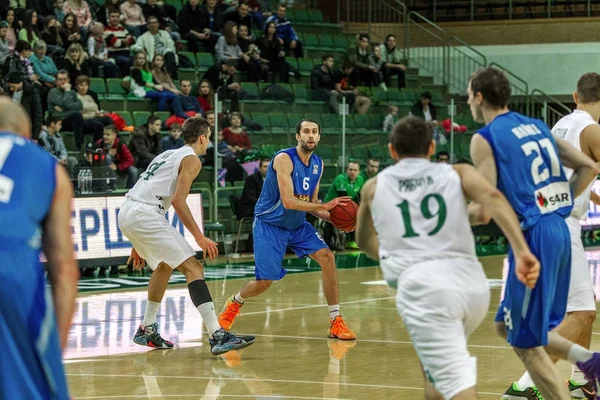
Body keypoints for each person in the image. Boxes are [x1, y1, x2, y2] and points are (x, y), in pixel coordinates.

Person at [354, 115, 540, 400]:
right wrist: (522, 250)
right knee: (435, 379)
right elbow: (493, 199)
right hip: (472, 286)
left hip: (426, 291)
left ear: (392, 150)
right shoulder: (457, 172)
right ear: (431, 148)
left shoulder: (373, 188)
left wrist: (391, 254)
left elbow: (363, 241)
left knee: (456, 388)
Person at [467, 67, 600, 399]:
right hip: (558, 225)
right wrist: (562, 201)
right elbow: (590, 167)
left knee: (555, 321)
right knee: (575, 313)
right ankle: (556, 376)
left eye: (469, 95)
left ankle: (557, 382)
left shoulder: (552, 125)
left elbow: (485, 209)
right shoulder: (546, 127)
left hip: (541, 227)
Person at [118, 116, 256, 355]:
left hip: (130, 211)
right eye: (209, 138)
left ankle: (147, 329)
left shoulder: (166, 155)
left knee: (163, 266)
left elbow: (146, 192)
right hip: (144, 213)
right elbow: (179, 201)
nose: (208, 143)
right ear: (202, 138)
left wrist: (137, 241)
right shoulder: (192, 160)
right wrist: (199, 238)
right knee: (193, 267)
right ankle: (217, 334)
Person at [218, 119, 356, 340]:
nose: (310, 136)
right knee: (264, 282)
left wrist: (339, 221)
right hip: (269, 225)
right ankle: (235, 302)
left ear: (319, 137)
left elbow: (312, 204)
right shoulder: (284, 159)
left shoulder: (318, 164)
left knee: (328, 257)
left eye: (314, 132)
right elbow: (289, 201)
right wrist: (324, 206)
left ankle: (335, 321)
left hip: (297, 225)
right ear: (297, 136)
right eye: (306, 132)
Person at [0, 97, 78, 400]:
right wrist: (49, 356)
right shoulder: (47, 166)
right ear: (27, 134)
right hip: (11, 273)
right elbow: (64, 270)